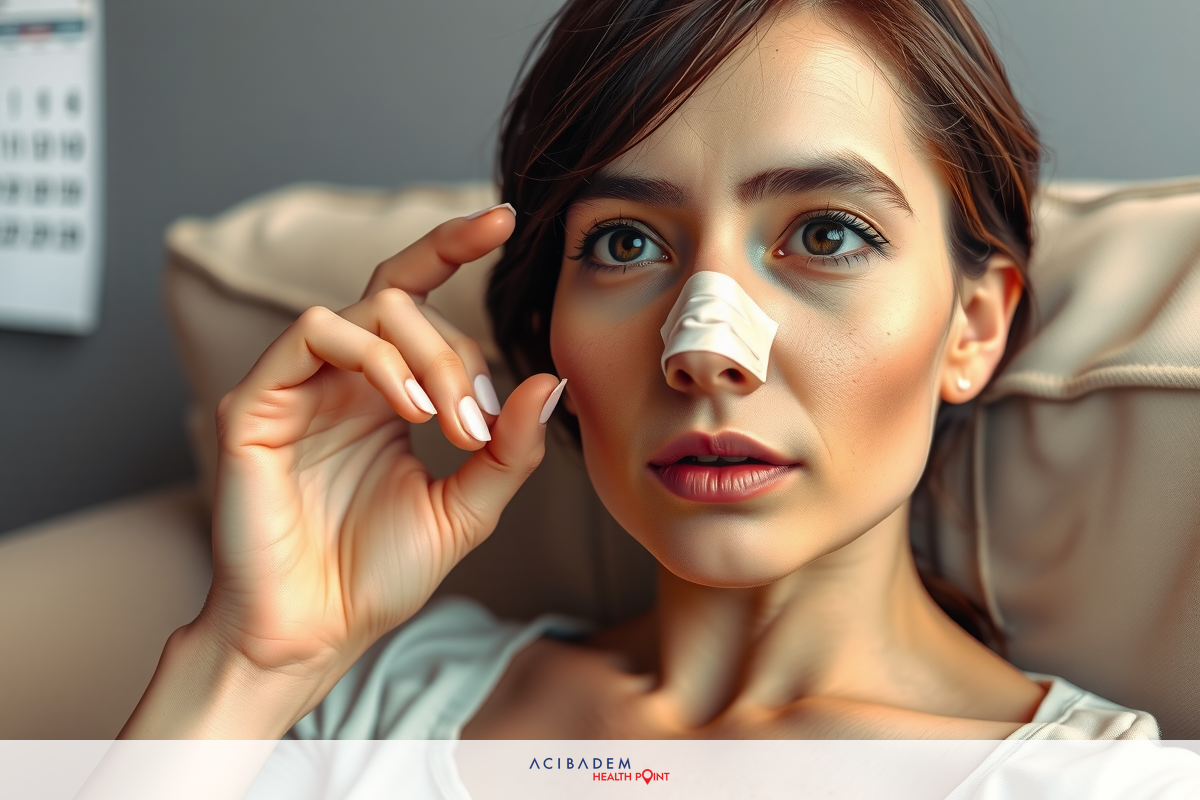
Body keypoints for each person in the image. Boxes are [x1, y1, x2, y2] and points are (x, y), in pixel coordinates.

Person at [120, 0, 1160, 747]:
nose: (703, 347)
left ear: (972, 325)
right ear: (548, 323)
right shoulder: (379, 700)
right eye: (625, 244)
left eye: (828, 233)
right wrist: (245, 667)